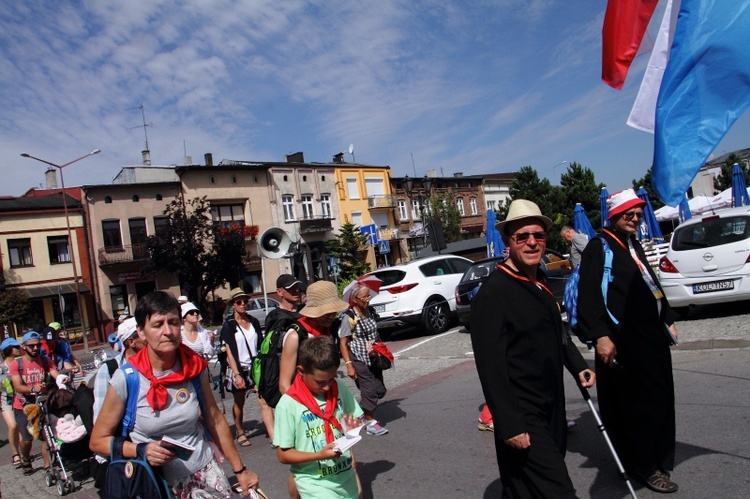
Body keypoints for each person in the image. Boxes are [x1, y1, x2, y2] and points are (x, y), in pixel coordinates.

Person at [470, 199, 595, 498]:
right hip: (522, 411)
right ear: (507, 241)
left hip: (551, 401)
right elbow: (490, 368)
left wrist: (578, 365)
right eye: (522, 236)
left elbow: (557, 332)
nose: (531, 242)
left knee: (523, 486)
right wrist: (510, 424)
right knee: (557, 488)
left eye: (538, 235)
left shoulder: (539, 280)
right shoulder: (493, 295)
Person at [90, 291, 260, 497]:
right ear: (141, 331)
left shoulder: (194, 367)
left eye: (173, 322)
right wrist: (140, 450)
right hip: (155, 483)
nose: (167, 331)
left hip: (205, 474)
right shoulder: (127, 378)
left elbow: (214, 419)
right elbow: (97, 441)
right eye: (157, 324)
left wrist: (240, 470)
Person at [577, 188, 679, 494]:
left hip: (651, 337)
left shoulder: (631, 244)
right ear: (615, 216)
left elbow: (650, 282)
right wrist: (599, 336)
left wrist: (668, 316)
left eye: (638, 214)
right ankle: (645, 466)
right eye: (629, 214)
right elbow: (589, 295)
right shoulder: (600, 246)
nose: (635, 219)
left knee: (660, 398)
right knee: (637, 406)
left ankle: (658, 457)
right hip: (623, 343)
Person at [274, 336, 364, 499]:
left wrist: (353, 428)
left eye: (332, 378)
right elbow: (283, 454)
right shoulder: (288, 405)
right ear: (301, 371)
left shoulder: (339, 387)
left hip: (344, 477)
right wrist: (320, 455)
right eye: (320, 381)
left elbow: (352, 418)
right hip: (313, 482)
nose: (328, 386)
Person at [278, 281, 349, 396]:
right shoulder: (295, 336)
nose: (331, 316)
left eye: (333, 311)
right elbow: (284, 385)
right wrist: (301, 409)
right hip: (304, 400)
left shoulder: (328, 329)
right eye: (326, 313)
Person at [255, 274, 303, 440]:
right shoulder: (276, 317)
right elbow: (270, 350)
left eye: (297, 287)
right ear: (280, 292)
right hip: (286, 371)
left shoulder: (305, 312)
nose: (296, 291)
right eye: (291, 289)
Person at [338, 282, 389, 436]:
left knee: (380, 390)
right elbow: (343, 343)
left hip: (373, 355)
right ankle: (370, 423)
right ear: (355, 300)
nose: (367, 300)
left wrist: (381, 348)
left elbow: (376, 333)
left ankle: (361, 410)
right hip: (357, 356)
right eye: (364, 297)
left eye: (368, 296)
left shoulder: (370, 312)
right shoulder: (349, 317)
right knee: (369, 390)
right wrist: (349, 365)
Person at [10, 331, 61, 475]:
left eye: (37, 345)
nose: (35, 348)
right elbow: (18, 386)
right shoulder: (17, 364)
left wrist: (63, 379)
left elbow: (56, 374)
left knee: (46, 435)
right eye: (31, 346)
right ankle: (25, 458)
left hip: (42, 402)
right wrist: (32, 388)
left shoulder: (45, 361)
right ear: (24, 347)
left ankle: (48, 466)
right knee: (27, 439)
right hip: (23, 405)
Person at [220, 287, 265, 448]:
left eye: (246, 301)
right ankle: (240, 431)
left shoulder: (253, 321)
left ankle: (273, 431)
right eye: (239, 302)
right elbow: (228, 351)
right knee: (239, 402)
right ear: (233, 305)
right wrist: (237, 374)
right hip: (239, 368)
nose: (243, 304)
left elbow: (260, 344)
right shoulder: (229, 325)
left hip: (255, 367)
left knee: (263, 399)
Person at [1, 337, 22, 468]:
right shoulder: (1, 367)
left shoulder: (20, 363)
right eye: (15, 347)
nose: (18, 349)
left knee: (21, 426)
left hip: (20, 398)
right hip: (6, 400)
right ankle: (15, 453)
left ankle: (24, 453)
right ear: (8, 350)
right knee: (13, 426)